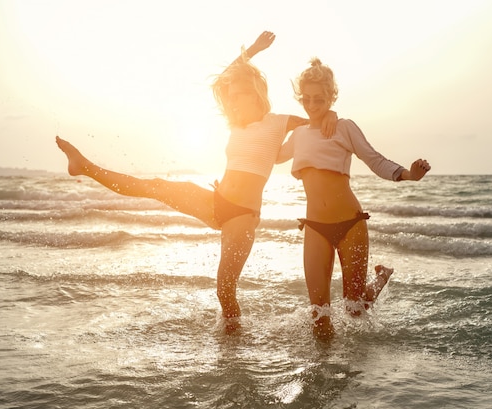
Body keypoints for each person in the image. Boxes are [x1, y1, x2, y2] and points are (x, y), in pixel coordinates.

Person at [56, 32, 337, 332]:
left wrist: (331, 113)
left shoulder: (279, 122)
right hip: (216, 201)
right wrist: (252, 50)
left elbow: (315, 117)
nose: (231, 98)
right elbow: (221, 81)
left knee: (224, 289)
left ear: (255, 92)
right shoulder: (236, 124)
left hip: (243, 216)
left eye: (238, 93)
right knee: (154, 187)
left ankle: (233, 340)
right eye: (230, 96)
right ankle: (85, 166)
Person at [277, 58, 431, 340]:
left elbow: (373, 159)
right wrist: (285, 123)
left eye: (320, 100)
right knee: (319, 317)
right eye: (307, 99)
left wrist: (409, 175)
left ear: (331, 97)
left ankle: (382, 277)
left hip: (350, 224)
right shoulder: (298, 135)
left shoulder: (344, 127)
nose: (312, 105)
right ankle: (324, 376)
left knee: (355, 308)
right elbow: (270, 154)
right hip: (314, 227)